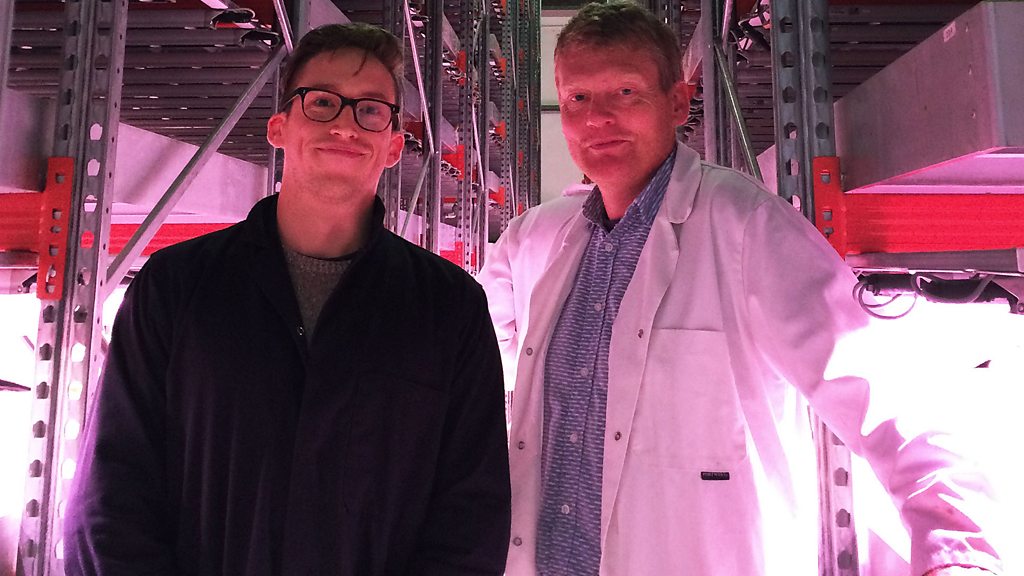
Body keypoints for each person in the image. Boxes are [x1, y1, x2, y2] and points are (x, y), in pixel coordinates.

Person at [477, 3, 1003, 575]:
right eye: (577, 98)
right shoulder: (538, 240)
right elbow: (461, 366)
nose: (598, 118)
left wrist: (960, 553)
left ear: (677, 104)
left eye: (625, 92)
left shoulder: (747, 227)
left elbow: (885, 395)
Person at [64, 23, 511, 576]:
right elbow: (112, 491)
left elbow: (471, 517)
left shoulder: (450, 309)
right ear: (279, 127)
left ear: (395, 145)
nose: (345, 124)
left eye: (371, 110)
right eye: (321, 102)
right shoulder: (176, 286)